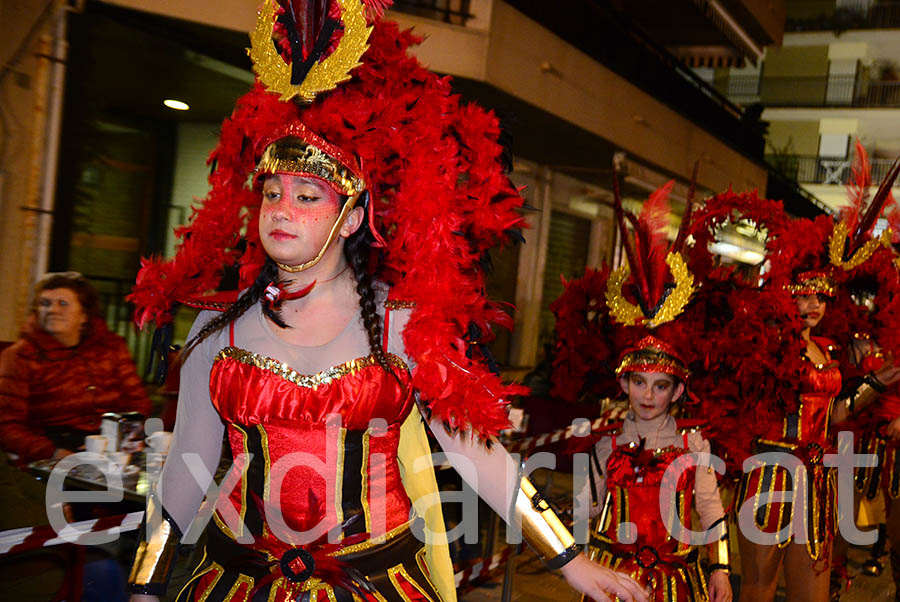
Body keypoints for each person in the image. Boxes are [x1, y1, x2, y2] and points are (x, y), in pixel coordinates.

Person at [126, 2, 649, 601]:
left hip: (376, 585)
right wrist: (144, 586)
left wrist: (572, 562)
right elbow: (186, 468)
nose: (282, 209)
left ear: (352, 219)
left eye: (306, 195)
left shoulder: (405, 325)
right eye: (272, 192)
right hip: (235, 583)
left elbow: (479, 453)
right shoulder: (218, 327)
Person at [582, 338, 732, 602]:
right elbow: (588, 509)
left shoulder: (694, 443)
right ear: (624, 384)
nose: (648, 396)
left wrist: (720, 569)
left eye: (660, 386)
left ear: (676, 392)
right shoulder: (607, 443)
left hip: (676, 582)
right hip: (615, 579)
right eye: (639, 383)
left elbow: (709, 508)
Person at [0, 272, 151, 462]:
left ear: (84, 315)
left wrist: (120, 440)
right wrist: (53, 453)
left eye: (62, 304)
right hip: (52, 449)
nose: (52, 310)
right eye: (45, 304)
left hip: (111, 445)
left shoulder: (111, 347)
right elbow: (7, 425)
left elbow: (138, 403)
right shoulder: (20, 355)